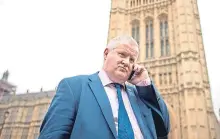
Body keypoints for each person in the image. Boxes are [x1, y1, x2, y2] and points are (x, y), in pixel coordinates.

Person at [38, 35, 170, 139]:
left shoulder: (140, 95)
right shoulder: (74, 87)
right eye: (122, 54)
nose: (126, 62)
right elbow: (52, 135)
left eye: (132, 60)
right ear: (106, 53)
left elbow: (163, 129)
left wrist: (145, 84)